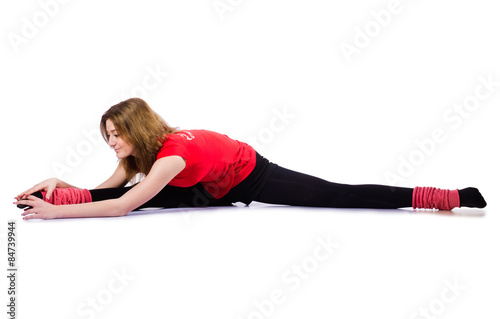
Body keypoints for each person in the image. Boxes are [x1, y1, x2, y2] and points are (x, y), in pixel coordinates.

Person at [15, 98, 487, 220]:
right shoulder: (147, 155)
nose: (112, 143)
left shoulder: (171, 157)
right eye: (108, 136)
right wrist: (60, 186)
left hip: (251, 178)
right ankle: (47, 196)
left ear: (136, 131)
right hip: (207, 187)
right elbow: (112, 190)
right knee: (145, 197)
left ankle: (444, 196)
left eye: (116, 135)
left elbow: (120, 205)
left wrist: (58, 212)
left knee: (337, 195)